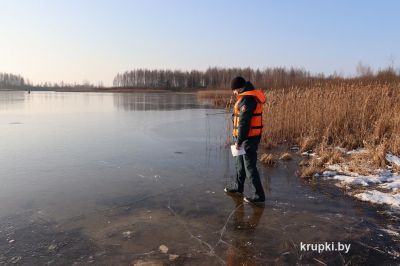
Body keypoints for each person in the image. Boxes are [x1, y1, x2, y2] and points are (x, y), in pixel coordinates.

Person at [224, 76, 266, 204]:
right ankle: (238, 187)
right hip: (244, 138)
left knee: (250, 166)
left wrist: (239, 141)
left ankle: (258, 195)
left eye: (234, 90)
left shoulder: (247, 100)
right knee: (239, 164)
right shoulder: (245, 98)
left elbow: (244, 123)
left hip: (249, 139)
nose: (234, 93)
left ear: (238, 88)